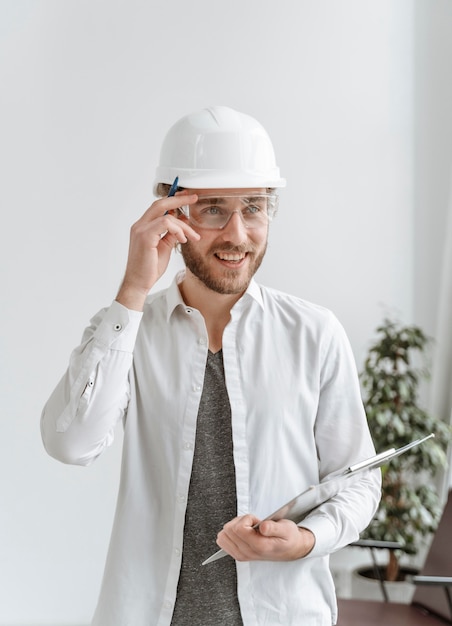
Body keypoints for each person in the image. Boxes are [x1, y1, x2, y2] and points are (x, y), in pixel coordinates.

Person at [41, 105, 381, 626]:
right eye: (214, 210)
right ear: (170, 213)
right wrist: (132, 290)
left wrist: (307, 539)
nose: (238, 235)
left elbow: (357, 480)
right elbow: (70, 442)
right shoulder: (129, 329)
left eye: (254, 208)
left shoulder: (315, 334)